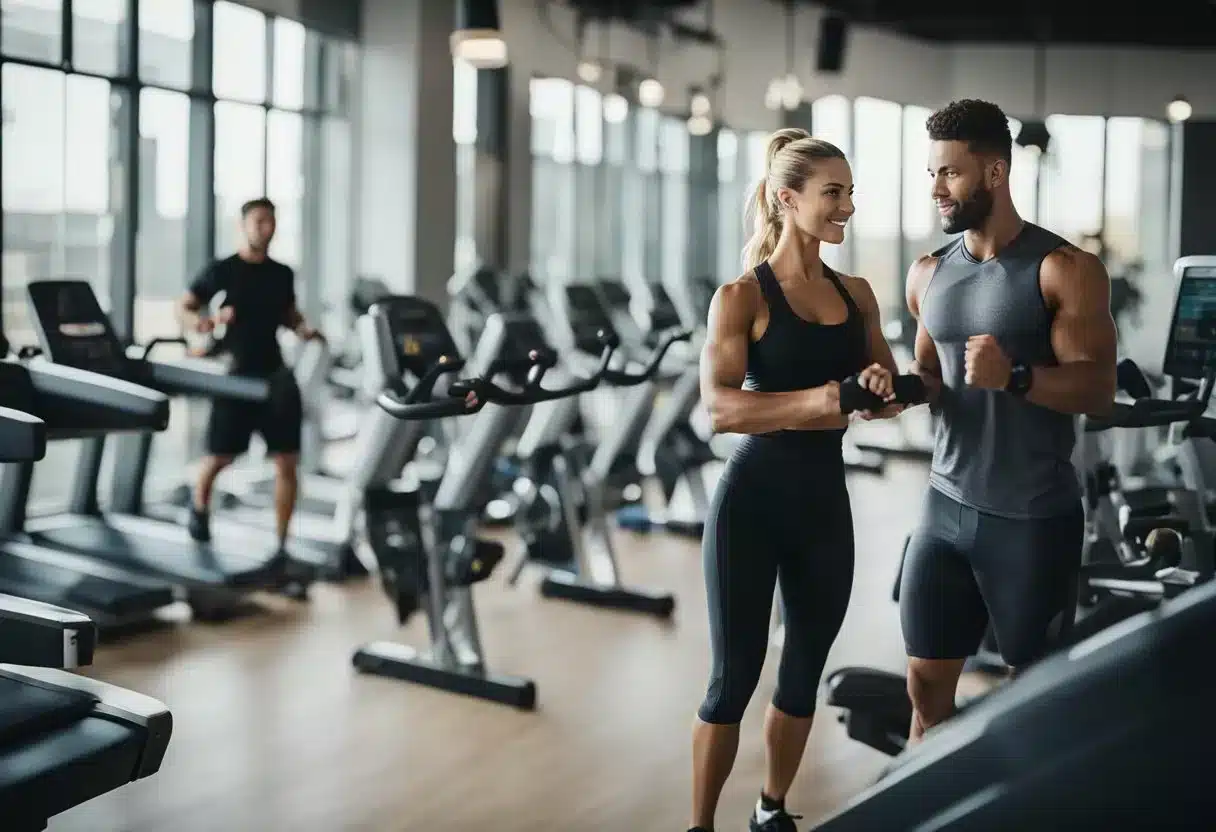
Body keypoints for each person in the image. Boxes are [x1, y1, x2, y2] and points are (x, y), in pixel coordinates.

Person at [690, 128, 906, 832]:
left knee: (803, 669)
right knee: (733, 680)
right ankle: (700, 826)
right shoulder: (740, 297)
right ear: (788, 198)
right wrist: (823, 400)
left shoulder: (858, 293)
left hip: (823, 503)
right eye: (832, 193)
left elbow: (885, 394)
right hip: (751, 503)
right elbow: (721, 409)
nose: (847, 207)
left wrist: (883, 386)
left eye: (850, 193)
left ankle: (769, 809)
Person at [900, 99, 1117, 744]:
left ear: (995, 173)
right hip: (943, 510)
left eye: (951, 174)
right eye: (933, 173)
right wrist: (896, 391)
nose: (937, 189)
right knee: (925, 687)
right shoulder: (928, 274)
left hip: (1032, 519)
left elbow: (1100, 390)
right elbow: (931, 378)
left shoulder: (1064, 269)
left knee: (1037, 702)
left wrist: (1017, 377)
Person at [177, 197, 324, 590]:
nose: (266, 228)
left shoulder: (282, 274)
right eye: (259, 221)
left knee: (287, 463)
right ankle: (199, 507)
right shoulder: (222, 270)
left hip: (274, 374)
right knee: (219, 457)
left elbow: (289, 314)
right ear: (243, 225)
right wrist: (202, 324)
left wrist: (304, 329)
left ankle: (281, 544)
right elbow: (186, 307)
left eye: (271, 222)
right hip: (235, 375)